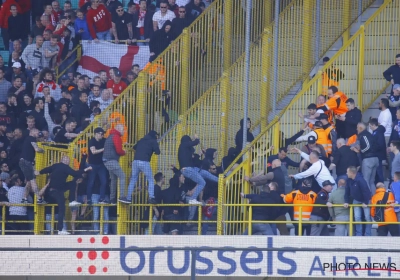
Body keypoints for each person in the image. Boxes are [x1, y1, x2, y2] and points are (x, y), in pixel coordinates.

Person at [37, 155, 92, 235]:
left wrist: (39, 172)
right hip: (56, 191)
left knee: (73, 183)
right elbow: (75, 173)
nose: (68, 161)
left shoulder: (55, 166)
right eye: (67, 159)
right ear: (63, 160)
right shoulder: (64, 167)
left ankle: (72, 201)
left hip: (58, 189)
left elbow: (47, 169)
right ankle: (60, 229)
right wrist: (86, 169)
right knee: (62, 207)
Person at [178, 134, 218, 204]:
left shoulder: (185, 151)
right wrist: (196, 138)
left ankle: (219, 180)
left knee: (204, 172)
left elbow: (194, 159)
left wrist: (200, 153)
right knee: (202, 182)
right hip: (187, 169)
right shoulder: (183, 145)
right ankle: (192, 199)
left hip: (192, 169)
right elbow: (195, 143)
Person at [123, 130, 160, 204]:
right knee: (150, 180)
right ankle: (151, 197)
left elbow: (134, 148)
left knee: (133, 179)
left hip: (135, 162)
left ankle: (128, 198)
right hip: (144, 162)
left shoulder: (141, 140)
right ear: (155, 136)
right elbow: (158, 152)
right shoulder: (153, 141)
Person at [344, 166, 372, 236]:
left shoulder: (361, 180)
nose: (346, 173)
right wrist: (346, 201)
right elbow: (346, 192)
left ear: (351, 173)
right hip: (356, 200)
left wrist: (365, 202)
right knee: (357, 217)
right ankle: (358, 234)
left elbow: (366, 192)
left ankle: (368, 234)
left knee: (367, 217)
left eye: (347, 172)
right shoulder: (348, 180)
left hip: (365, 199)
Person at [19, 128, 45, 204]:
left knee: (29, 181)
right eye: (37, 132)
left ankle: (24, 199)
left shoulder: (29, 139)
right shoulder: (31, 138)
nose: (38, 134)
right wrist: (43, 150)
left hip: (24, 162)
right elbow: (36, 149)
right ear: (32, 132)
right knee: (33, 180)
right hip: (26, 162)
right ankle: (39, 198)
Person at [103, 124, 127, 204]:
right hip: (112, 160)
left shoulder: (110, 136)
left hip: (106, 161)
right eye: (123, 129)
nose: (124, 131)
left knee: (113, 179)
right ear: (118, 129)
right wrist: (124, 152)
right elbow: (119, 150)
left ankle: (112, 199)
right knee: (122, 176)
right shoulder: (116, 137)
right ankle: (122, 196)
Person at [355, 122, 379, 193]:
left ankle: (368, 201)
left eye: (357, 128)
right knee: (371, 181)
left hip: (368, 159)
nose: (356, 129)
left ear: (360, 128)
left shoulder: (364, 135)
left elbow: (368, 146)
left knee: (366, 181)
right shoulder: (370, 134)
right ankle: (374, 199)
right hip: (375, 159)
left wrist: (361, 151)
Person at [86, 127, 108, 204]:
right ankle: (88, 199)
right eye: (101, 134)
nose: (102, 135)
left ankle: (102, 198)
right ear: (96, 134)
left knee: (104, 181)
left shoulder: (104, 140)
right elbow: (93, 152)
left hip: (101, 164)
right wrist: (103, 149)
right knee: (91, 182)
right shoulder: (91, 141)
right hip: (92, 164)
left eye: (103, 134)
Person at [368, 118, 387, 184]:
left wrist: (372, 149)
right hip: (376, 155)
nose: (370, 128)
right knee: (376, 171)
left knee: (379, 172)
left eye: (370, 126)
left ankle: (381, 185)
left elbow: (380, 144)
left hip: (378, 155)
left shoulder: (378, 133)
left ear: (373, 125)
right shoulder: (375, 132)